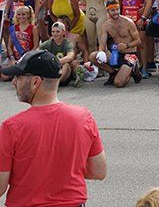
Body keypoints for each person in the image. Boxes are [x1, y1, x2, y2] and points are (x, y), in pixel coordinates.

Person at [0, 50, 107, 206]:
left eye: (18, 77)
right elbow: (99, 171)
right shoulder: (83, 117)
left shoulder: (12, 127)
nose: (14, 82)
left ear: (36, 81)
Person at [90, 0, 143, 87]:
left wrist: (126, 45)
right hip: (116, 54)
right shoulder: (106, 25)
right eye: (112, 10)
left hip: (129, 54)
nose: (115, 12)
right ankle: (113, 73)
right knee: (92, 56)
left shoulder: (128, 22)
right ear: (108, 11)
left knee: (118, 83)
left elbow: (138, 41)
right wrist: (100, 51)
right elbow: (102, 43)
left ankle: (133, 69)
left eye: (117, 9)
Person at [117, 0, 153, 79]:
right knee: (129, 44)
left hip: (138, 19)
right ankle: (131, 67)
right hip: (126, 19)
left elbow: (148, 2)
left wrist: (143, 18)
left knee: (141, 43)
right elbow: (119, 1)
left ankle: (144, 67)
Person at [1, 6, 39, 82]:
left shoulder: (33, 28)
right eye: (19, 14)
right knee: (4, 76)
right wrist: (12, 58)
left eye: (23, 14)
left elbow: (36, 46)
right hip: (15, 58)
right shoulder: (14, 28)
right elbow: (9, 46)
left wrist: (25, 58)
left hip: (26, 57)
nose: (21, 16)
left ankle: (19, 73)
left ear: (28, 15)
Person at [39, 21, 82, 87]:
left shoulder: (67, 43)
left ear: (63, 32)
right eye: (53, 32)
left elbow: (70, 57)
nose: (55, 34)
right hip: (53, 69)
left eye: (58, 32)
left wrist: (55, 62)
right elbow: (37, 52)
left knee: (70, 64)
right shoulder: (48, 43)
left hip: (65, 73)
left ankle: (56, 84)